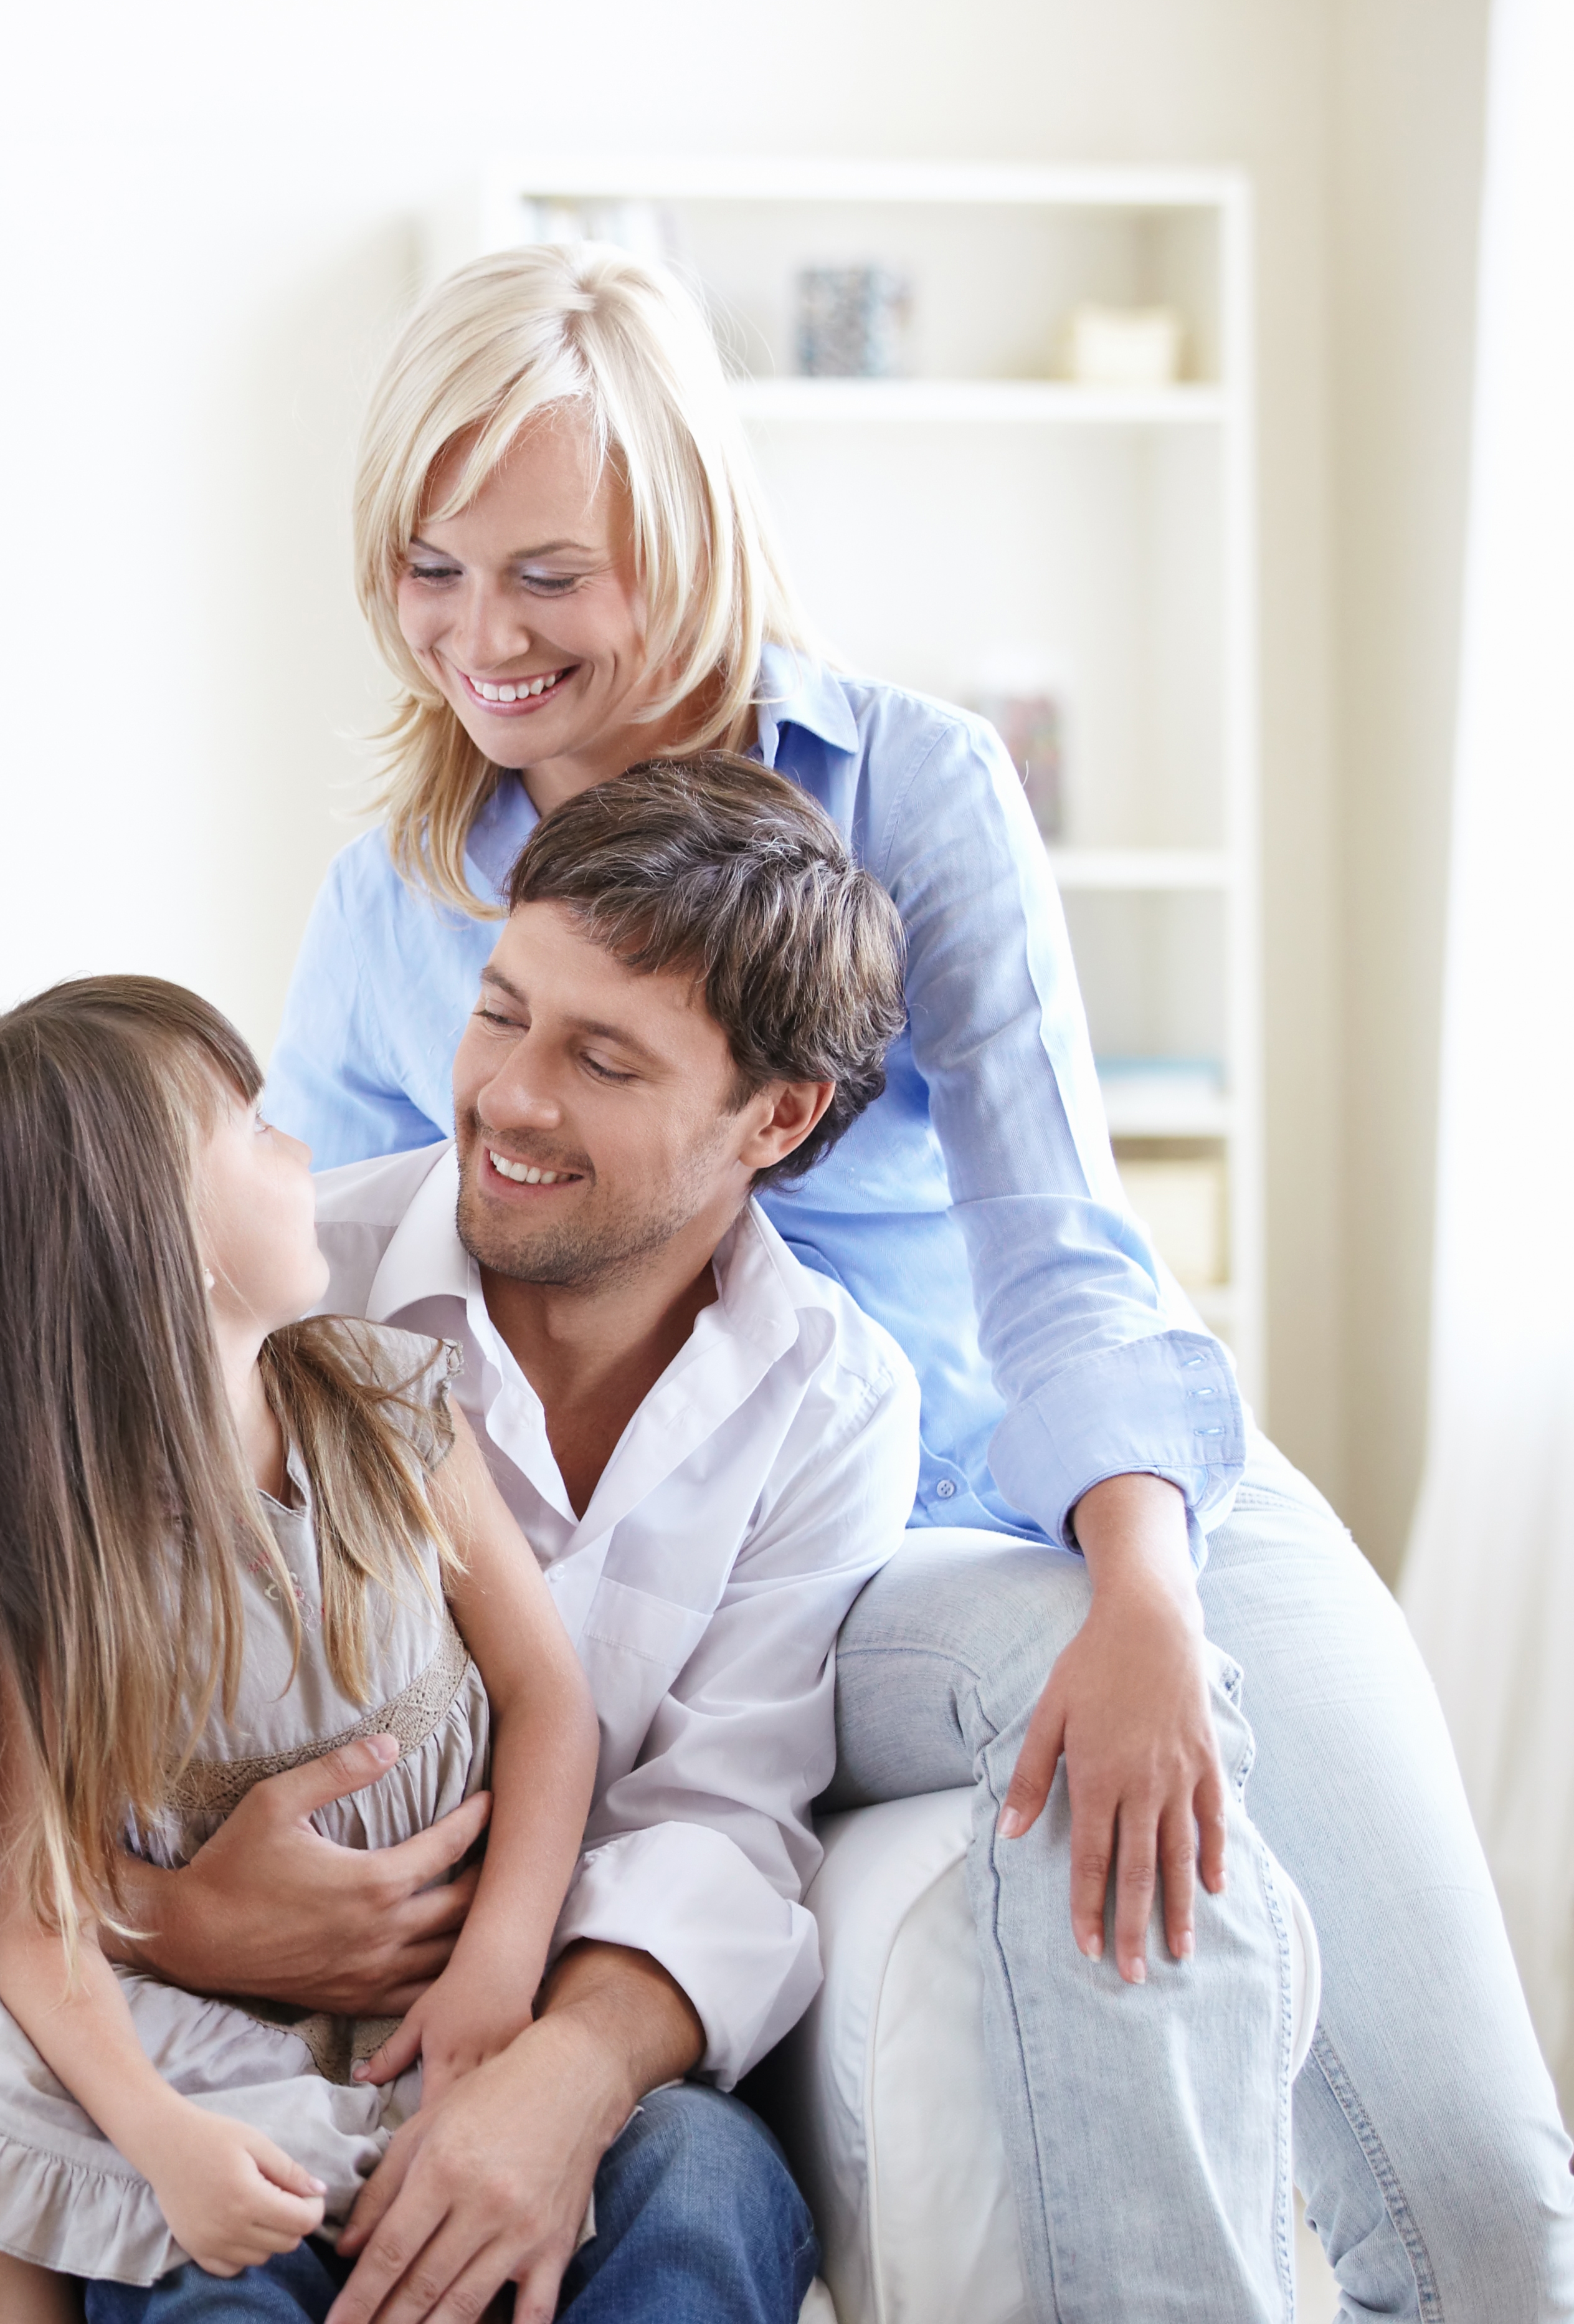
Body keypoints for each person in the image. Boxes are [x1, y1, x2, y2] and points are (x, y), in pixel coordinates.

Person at [267, 240, 1573, 2320]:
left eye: (543, 573)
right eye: (427, 569)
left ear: (678, 540)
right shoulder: (401, 900)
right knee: (1081, 1778)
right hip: (829, 1552)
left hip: (1101, 1481)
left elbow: (1062, 1242)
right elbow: (328, 1358)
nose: (475, 640)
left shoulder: (916, 784)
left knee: (1487, 2196)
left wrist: (1143, 1580)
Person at [0, 756, 921, 2320]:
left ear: (777, 1114)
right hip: (222, 2047)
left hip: (565, 2044)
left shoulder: (829, 1403)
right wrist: (180, 1919)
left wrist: (556, 2063)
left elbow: (725, 1814)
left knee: (702, 2196)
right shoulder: (253, 1286)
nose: (510, 1096)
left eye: (604, 1061)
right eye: (500, 1014)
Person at [0, 973, 601, 2319]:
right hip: (220, 2042)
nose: (300, 1145)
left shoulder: (386, 1408)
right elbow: (41, 1924)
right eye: (252, 1129)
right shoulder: (74, 1563)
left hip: (431, 2016)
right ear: (163, 1240)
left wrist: (499, 1967)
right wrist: (162, 2139)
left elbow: (553, 1701)